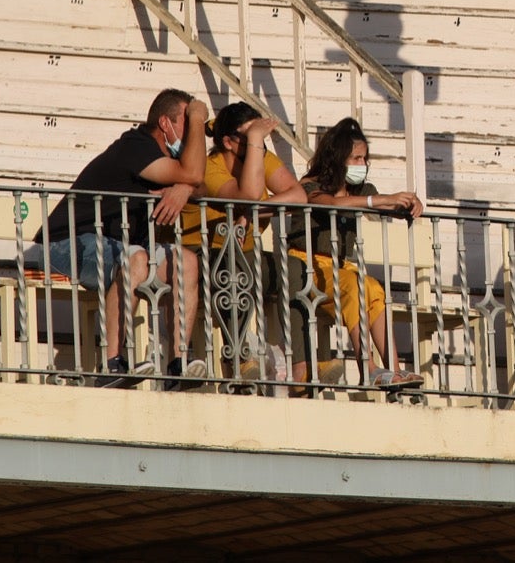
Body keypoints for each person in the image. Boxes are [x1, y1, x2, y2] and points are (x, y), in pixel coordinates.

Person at [28, 89, 208, 389]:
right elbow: (193, 171)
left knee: (186, 262)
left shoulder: (169, 163)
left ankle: (179, 365)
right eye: (186, 123)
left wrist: (185, 189)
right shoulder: (136, 146)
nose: (193, 133)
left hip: (122, 248)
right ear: (165, 123)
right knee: (136, 258)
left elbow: (199, 180)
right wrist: (200, 117)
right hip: (67, 244)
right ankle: (112, 365)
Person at [295, 117, 424, 389]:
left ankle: (394, 371)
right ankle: (368, 368)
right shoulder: (310, 184)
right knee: (354, 286)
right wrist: (381, 199)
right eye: (355, 158)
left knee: (374, 289)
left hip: (340, 269)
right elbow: (331, 204)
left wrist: (408, 204)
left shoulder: (360, 189)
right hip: (306, 268)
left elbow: (387, 207)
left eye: (364, 159)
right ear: (337, 158)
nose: (361, 165)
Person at [188, 102, 308, 383]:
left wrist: (250, 214)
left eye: (260, 134)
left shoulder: (259, 156)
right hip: (204, 255)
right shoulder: (211, 166)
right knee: (233, 271)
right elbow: (248, 195)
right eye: (250, 134)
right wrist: (255, 140)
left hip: (245, 254)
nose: (259, 141)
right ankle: (240, 359)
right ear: (229, 142)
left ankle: (301, 371)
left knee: (294, 269)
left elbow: (298, 196)